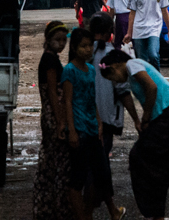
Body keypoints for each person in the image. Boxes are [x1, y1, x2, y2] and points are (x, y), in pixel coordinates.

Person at [99, 48, 169, 220]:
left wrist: (145, 118)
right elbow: (131, 96)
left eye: (111, 76)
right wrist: (140, 121)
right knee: (155, 165)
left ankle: (153, 210)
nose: (114, 81)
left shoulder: (132, 64)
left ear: (117, 65)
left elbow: (151, 87)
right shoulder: (132, 74)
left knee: (143, 159)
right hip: (166, 118)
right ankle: (155, 211)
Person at [61, 28, 125, 220]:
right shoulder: (69, 71)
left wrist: (99, 123)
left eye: (89, 46)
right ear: (74, 47)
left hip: (92, 128)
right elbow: (68, 101)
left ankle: (101, 211)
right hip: (79, 129)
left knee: (101, 173)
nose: (88, 50)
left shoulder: (90, 70)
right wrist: (71, 130)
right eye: (83, 46)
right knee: (78, 178)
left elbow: (92, 99)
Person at [34, 21, 72, 220]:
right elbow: (51, 91)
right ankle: (55, 206)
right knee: (56, 161)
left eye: (64, 40)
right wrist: (60, 122)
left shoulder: (51, 58)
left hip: (51, 115)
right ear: (48, 40)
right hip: (52, 115)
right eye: (57, 40)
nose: (61, 44)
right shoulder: (49, 61)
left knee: (50, 160)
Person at [88, 13, 138, 157]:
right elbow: (123, 91)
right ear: (110, 31)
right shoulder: (113, 56)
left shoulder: (84, 53)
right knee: (102, 162)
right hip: (106, 116)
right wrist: (136, 119)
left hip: (84, 116)